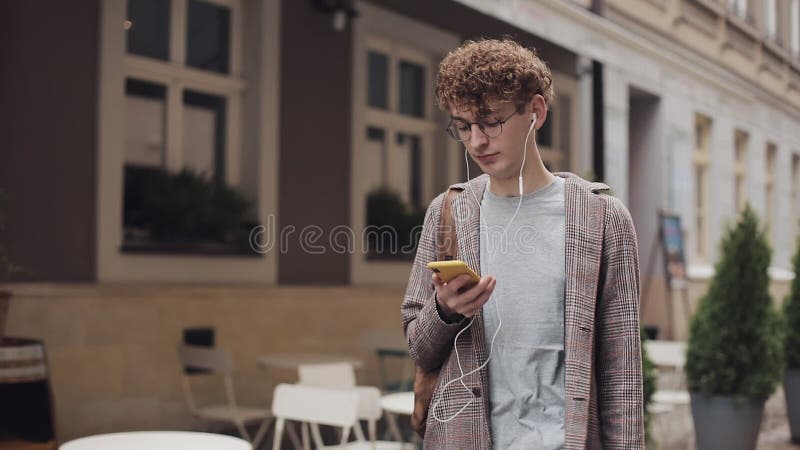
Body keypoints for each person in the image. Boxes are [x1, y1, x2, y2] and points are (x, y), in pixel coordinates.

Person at [401, 38, 644, 449]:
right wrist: (444, 311)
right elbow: (419, 348)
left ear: (535, 112)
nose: (476, 141)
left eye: (491, 121)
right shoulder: (449, 212)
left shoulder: (602, 218)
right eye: (463, 126)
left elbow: (622, 375)